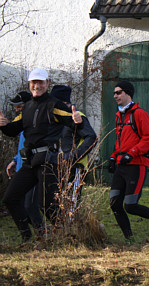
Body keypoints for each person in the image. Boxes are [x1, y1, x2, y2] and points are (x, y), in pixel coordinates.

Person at [0, 68, 83, 242]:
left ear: (47, 84)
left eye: (40, 82)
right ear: (30, 84)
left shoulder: (54, 104)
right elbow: (13, 129)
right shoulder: (28, 107)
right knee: (11, 198)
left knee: (45, 204)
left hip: (48, 160)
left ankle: (70, 233)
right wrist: (3, 125)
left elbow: (71, 120)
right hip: (30, 161)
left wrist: (76, 120)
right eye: (34, 83)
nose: (36, 86)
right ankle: (27, 238)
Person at [108, 81, 149, 240]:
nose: (115, 95)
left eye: (119, 92)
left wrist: (132, 153)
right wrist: (113, 156)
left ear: (128, 93)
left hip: (136, 165)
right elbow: (120, 141)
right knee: (115, 204)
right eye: (114, 93)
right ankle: (129, 238)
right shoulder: (119, 116)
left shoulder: (139, 114)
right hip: (121, 165)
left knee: (130, 205)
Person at [50, 85, 97, 217]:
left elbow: (92, 137)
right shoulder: (57, 118)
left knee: (72, 202)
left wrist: (73, 156)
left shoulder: (76, 116)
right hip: (57, 165)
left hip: (75, 166)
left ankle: (73, 232)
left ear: (64, 102)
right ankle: (62, 230)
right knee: (57, 201)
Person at [5, 91, 47, 236]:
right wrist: (14, 161)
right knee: (16, 202)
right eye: (15, 107)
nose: (17, 109)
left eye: (19, 106)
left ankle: (43, 233)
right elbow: (23, 148)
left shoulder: (36, 122)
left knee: (30, 205)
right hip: (22, 168)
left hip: (34, 167)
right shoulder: (22, 123)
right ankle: (31, 234)